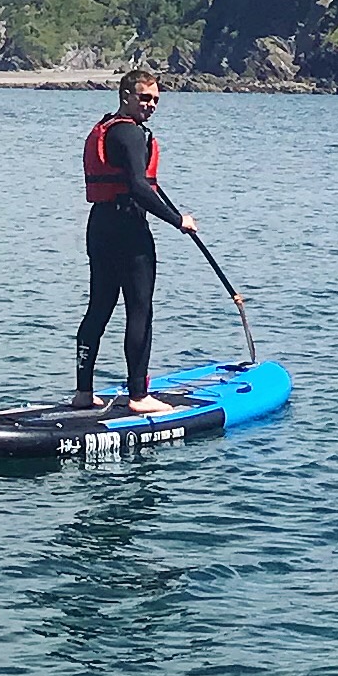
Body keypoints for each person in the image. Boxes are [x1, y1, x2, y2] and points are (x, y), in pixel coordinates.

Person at [74, 65, 199, 414]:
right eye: (144, 98)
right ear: (126, 96)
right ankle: (140, 396)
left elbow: (140, 184)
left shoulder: (109, 128)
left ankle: (83, 392)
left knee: (99, 308)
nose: (151, 105)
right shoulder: (129, 133)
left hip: (100, 226)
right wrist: (178, 221)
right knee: (140, 309)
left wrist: (168, 208)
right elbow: (138, 187)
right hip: (128, 229)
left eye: (156, 100)